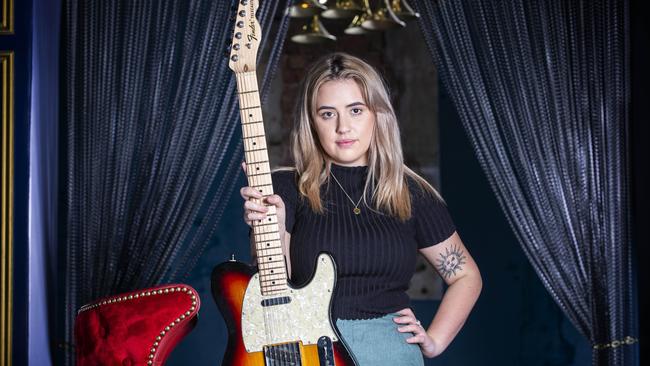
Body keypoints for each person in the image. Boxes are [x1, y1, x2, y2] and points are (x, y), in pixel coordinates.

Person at [240, 52, 482, 365]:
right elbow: (273, 295)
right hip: (311, 352)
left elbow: (466, 276)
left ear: (377, 114)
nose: (343, 127)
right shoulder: (287, 188)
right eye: (327, 114)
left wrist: (435, 340)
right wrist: (271, 226)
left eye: (356, 110)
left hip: (391, 353)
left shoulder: (411, 193)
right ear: (312, 122)